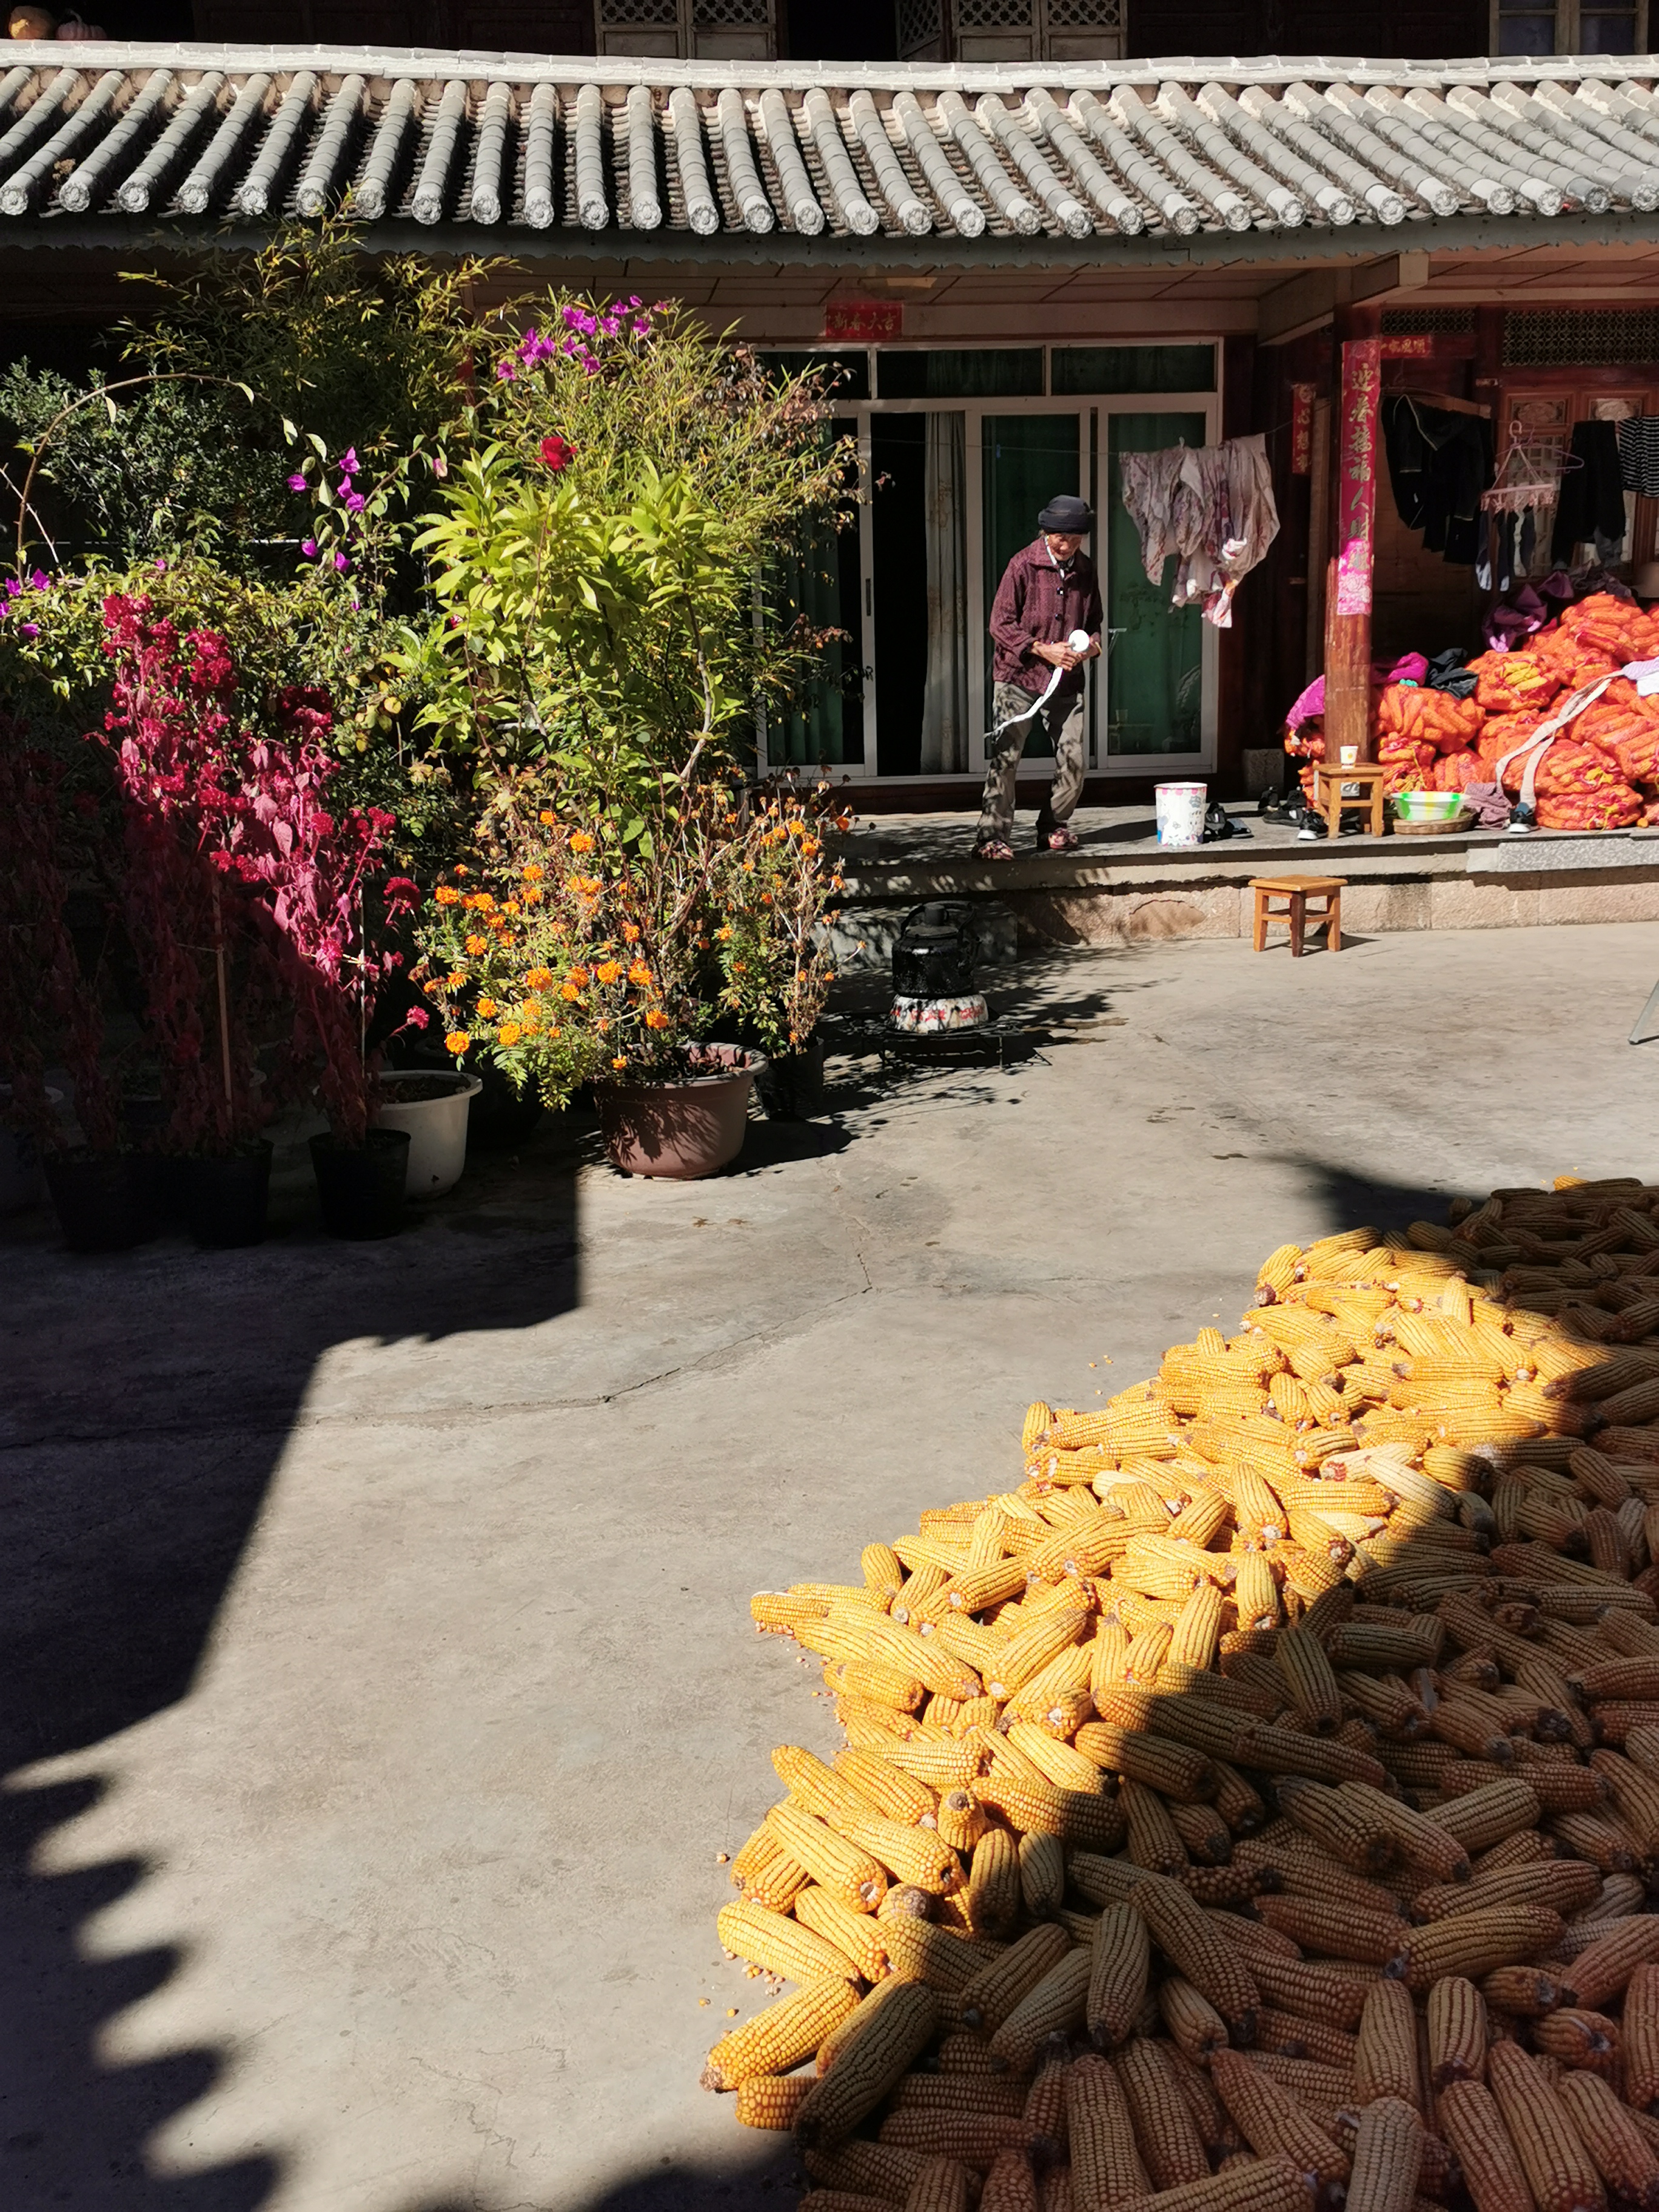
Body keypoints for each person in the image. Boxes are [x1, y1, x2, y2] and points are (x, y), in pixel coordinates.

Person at [976, 492, 1104, 859]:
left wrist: (1090, 648)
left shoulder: (1086, 570)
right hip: (1019, 676)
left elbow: (1094, 624)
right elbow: (1000, 624)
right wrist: (1042, 649)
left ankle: (1053, 826)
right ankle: (991, 838)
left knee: (1074, 757)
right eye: (1061, 538)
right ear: (1046, 533)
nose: (1068, 546)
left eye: (1076, 539)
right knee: (1007, 757)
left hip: (1065, 680)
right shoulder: (1022, 565)